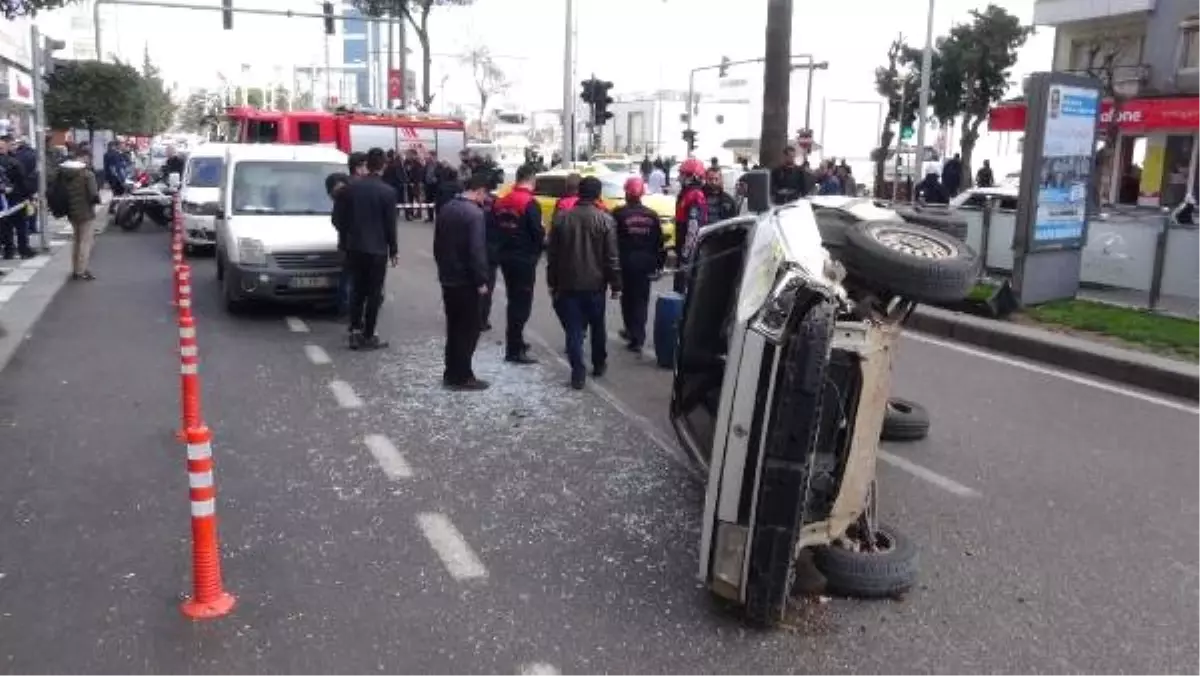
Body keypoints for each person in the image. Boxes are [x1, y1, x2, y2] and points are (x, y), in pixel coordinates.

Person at [546, 176, 621, 390]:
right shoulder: (606, 220)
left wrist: (552, 281)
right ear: (598, 195)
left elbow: (553, 255)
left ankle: (578, 373)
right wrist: (616, 285)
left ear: (579, 192)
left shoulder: (562, 218)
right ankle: (598, 363)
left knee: (574, 330)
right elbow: (612, 257)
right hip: (596, 285)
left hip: (568, 284)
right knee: (597, 326)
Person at [433, 172, 493, 391]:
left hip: (449, 278)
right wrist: (481, 280)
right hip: (467, 281)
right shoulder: (474, 215)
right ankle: (463, 375)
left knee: (453, 327)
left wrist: (443, 270)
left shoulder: (447, 208)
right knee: (468, 329)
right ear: (479, 191)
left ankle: (451, 372)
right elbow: (476, 251)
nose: (485, 200)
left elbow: (437, 244)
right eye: (485, 195)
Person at [338, 148, 398, 350]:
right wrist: (394, 250)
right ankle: (369, 334)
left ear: (367, 165)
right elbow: (390, 224)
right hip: (378, 249)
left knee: (357, 290)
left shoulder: (349, 189)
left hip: (355, 246)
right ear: (382, 166)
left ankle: (354, 331)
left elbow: (339, 219)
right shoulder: (388, 192)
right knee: (374, 293)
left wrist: (348, 236)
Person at [489, 163, 544, 364]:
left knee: (514, 300)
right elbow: (538, 234)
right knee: (521, 304)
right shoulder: (530, 203)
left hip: (505, 257)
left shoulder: (502, 201)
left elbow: (494, 229)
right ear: (531, 179)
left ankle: (516, 340)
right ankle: (514, 349)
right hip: (523, 259)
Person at [611, 176, 662, 352]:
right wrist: (658, 264)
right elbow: (659, 243)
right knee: (641, 300)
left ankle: (633, 332)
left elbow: (612, 240)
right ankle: (637, 334)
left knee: (627, 299)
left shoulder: (618, 214)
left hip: (626, 263)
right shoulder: (652, 216)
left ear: (626, 193)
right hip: (645, 264)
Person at [53, 145, 99, 280]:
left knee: (77, 240)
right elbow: (93, 194)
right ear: (84, 157)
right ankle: (81, 270)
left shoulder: (63, 172)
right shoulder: (87, 174)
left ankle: (75, 268)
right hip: (85, 212)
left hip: (71, 211)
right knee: (86, 241)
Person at [673, 157, 709, 293]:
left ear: (692, 176)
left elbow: (693, 228)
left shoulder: (695, 196)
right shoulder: (687, 194)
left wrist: (686, 255)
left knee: (683, 290)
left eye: (682, 174)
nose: (680, 177)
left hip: (689, 253)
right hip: (684, 250)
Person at [0, 135, 33, 260]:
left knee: (5, 226)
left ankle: (8, 251)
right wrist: (28, 196)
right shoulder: (14, 162)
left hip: (3, 200)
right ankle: (23, 250)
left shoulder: (13, 161)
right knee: (21, 226)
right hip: (17, 197)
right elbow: (22, 181)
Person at [326, 172, 353, 317]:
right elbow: (336, 220)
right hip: (348, 243)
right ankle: (345, 306)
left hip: (348, 242)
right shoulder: (343, 197)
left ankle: (346, 306)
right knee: (348, 277)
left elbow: (336, 221)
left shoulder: (346, 195)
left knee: (348, 276)